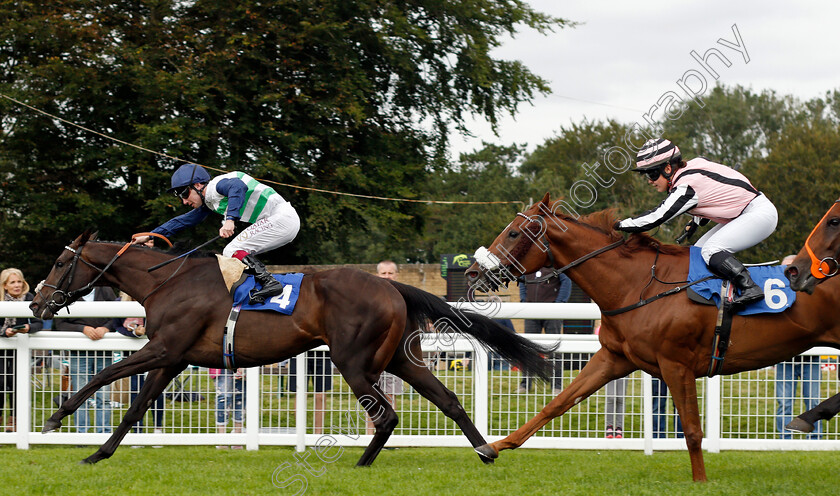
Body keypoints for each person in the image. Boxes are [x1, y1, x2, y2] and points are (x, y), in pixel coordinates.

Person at [615, 138, 778, 306]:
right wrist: (695, 221)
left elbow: (657, 217)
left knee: (710, 250)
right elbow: (714, 191)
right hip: (746, 212)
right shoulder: (695, 164)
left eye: (652, 174)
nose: (650, 181)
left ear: (668, 168)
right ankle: (716, 296)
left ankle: (749, 288)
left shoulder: (685, 187)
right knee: (698, 252)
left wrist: (619, 224)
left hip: (758, 213)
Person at [134, 163, 300, 304]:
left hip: (281, 218)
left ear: (198, 185)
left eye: (185, 194)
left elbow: (238, 186)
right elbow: (182, 221)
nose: (184, 201)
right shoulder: (210, 201)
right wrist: (151, 235)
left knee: (230, 250)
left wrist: (230, 219)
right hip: (282, 220)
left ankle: (269, 282)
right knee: (236, 252)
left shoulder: (215, 186)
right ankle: (258, 286)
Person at [53, 286, 117, 433]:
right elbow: (61, 323)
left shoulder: (106, 290)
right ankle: (82, 433)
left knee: (104, 395)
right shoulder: (67, 294)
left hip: (104, 349)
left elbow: (116, 317)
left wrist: (106, 328)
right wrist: (82, 329)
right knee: (80, 394)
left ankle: (104, 432)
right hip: (79, 350)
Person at [775, 255, 822, 439]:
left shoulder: (813, 292)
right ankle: (785, 441)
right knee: (784, 402)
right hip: (785, 356)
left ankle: (815, 439)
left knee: (813, 401)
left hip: (811, 355)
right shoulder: (775, 297)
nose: (788, 273)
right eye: (785, 269)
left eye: (791, 269)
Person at [112, 291, 165, 440]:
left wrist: (145, 329)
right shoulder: (119, 302)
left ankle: (158, 428)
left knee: (156, 388)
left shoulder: (151, 297)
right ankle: (137, 430)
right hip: (131, 351)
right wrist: (133, 333)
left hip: (153, 349)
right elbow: (115, 325)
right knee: (135, 390)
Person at [517, 263, 572, 395]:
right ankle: (525, 384)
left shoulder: (556, 265)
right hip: (531, 312)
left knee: (554, 350)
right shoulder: (529, 264)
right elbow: (522, 282)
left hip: (552, 313)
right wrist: (524, 301)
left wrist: (558, 304)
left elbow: (566, 282)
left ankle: (556, 386)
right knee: (528, 349)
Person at [0, 268, 43, 431]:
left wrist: (27, 327)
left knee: (16, 382)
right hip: (2, 347)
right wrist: (4, 331)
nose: (17, 285)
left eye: (19, 281)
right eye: (12, 282)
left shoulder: (31, 298)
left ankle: (14, 423)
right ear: (5, 286)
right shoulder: (0, 299)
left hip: (22, 348)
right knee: (2, 382)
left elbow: (39, 323)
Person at [366, 260, 405, 434]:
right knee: (370, 397)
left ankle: (387, 435)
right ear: (377, 275)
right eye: (384, 273)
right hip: (371, 356)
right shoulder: (368, 297)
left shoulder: (403, 297)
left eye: (390, 273)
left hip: (394, 356)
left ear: (396, 275)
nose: (387, 277)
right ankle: (369, 435)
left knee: (389, 396)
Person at [289, 351, 333, 435]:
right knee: (300, 394)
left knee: (320, 395)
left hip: (322, 353)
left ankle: (317, 435)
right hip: (299, 351)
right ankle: (300, 434)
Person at [595, 321, 626, 439]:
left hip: (623, 364)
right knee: (611, 397)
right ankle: (609, 426)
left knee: (620, 398)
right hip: (610, 365)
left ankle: (619, 427)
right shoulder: (604, 328)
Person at [211, 367, 245, 449]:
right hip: (222, 363)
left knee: (240, 398)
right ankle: (222, 439)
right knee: (223, 398)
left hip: (244, 363)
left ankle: (237, 438)